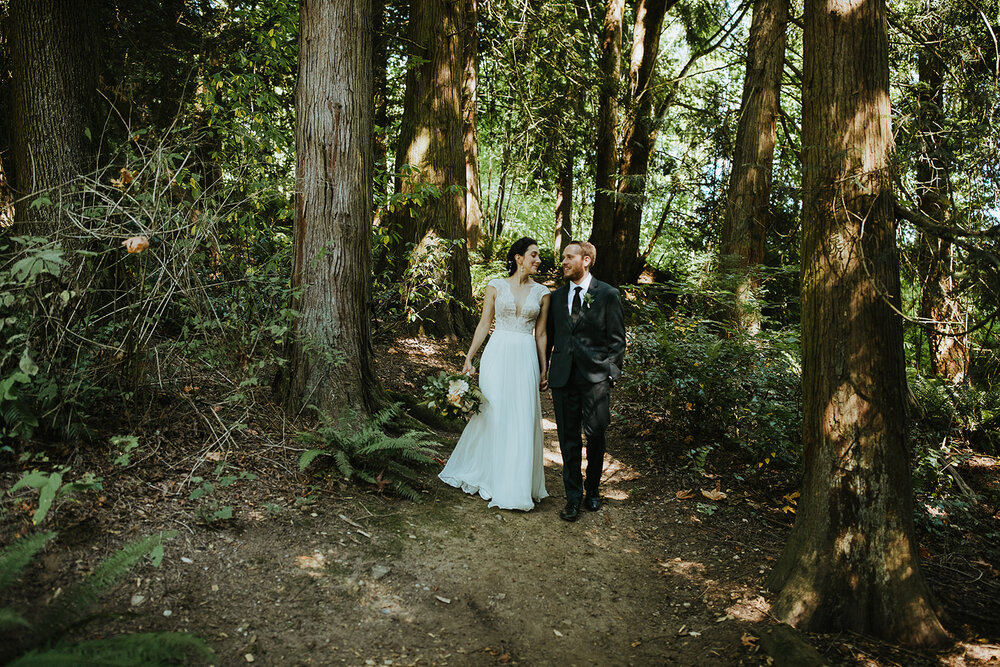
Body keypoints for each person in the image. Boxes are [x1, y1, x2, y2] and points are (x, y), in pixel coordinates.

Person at [438, 237, 551, 510]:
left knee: (522, 415)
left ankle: (518, 482)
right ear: (518, 257)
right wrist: (469, 356)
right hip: (497, 353)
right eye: (533, 255)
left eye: (538, 256)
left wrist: (544, 367)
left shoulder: (543, 293)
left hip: (525, 356)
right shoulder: (495, 286)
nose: (538, 260)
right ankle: (489, 473)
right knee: (494, 412)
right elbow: (483, 324)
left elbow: (542, 334)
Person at [545, 240, 626, 522]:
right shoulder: (555, 298)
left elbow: (617, 339)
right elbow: (549, 337)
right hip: (563, 378)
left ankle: (593, 491)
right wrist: (544, 371)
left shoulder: (608, 294)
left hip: (595, 380)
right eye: (563, 258)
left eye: (569, 257)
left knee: (595, 437)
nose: (564, 262)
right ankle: (573, 498)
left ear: (586, 260)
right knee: (568, 441)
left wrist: (610, 372)